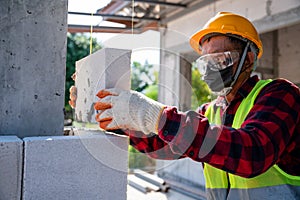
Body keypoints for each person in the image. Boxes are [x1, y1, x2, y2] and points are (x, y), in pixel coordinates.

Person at [72, 12, 300, 199]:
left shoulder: (280, 94)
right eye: (205, 62)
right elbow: (159, 143)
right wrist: (117, 117)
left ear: (248, 60)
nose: (211, 70)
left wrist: (157, 116)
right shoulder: (211, 112)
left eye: (220, 59)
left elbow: (253, 153)